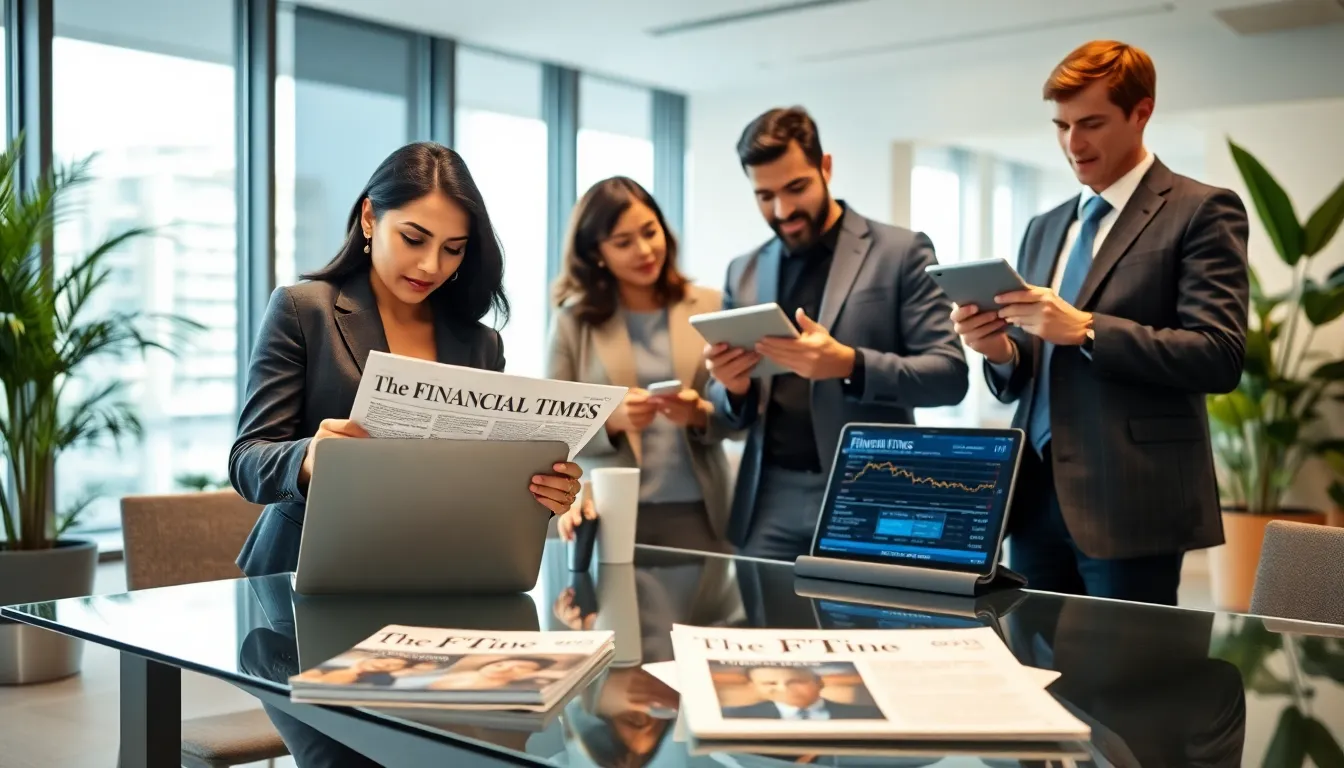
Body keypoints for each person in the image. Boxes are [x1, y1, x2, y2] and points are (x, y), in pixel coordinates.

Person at [952, 40, 1249, 606]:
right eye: (1060, 125)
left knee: (1126, 686)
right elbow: (1033, 365)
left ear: (1142, 113)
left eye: (1090, 123)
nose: (1072, 143)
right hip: (1034, 497)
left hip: (1133, 501)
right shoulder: (1045, 226)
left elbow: (1219, 354)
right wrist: (998, 351)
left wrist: (1087, 328)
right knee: (1032, 677)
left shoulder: (1202, 210)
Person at [230, 141, 589, 579]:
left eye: (453, 248)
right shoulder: (304, 310)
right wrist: (309, 458)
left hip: (434, 572)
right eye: (413, 239)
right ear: (369, 218)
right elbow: (247, 459)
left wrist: (543, 494)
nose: (430, 265)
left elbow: (480, 484)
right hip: (302, 572)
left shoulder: (481, 345)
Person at [704, 107, 968, 561]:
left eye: (796, 187)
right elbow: (726, 410)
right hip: (768, 499)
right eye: (764, 196)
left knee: (871, 631)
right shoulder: (742, 271)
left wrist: (850, 363)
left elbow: (950, 374)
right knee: (764, 632)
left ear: (826, 168)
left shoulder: (901, 252)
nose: (782, 210)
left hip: (873, 490)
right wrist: (732, 387)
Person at [549, 177, 734, 553]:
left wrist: (700, 414)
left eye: (651, 232)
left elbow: (743, 413)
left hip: (701, 513)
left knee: (704, 611)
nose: (645, 250)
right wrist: (611, 423)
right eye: (623, 243)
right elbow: (551, 426)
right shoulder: (574, 320)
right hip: (606, 511)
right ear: (596, 253)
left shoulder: (712, 305)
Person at [720, 666, 884, 720]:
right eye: (770, 683)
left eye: (796, 682)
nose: (784, 689)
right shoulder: (735, 715)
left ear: (819, 682)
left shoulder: (867, 714)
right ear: (753, 686)